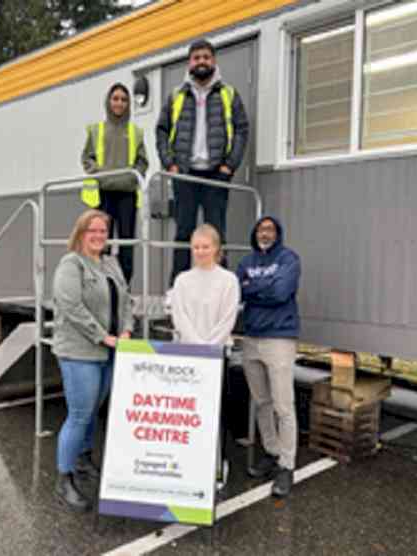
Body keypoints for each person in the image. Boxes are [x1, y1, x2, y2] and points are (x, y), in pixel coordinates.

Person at [52, 209, 133, 512]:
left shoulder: (110, 262)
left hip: (111, 349)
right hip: (79, 352)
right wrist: (103, 336)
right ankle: (64, 478)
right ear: (81, 233)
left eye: (103, 231)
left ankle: (84, 459)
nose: (99, 236)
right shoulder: (70, 264)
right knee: (79, 415)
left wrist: (126, 329)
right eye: (93, 231)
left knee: (93, 410)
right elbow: (71, 307)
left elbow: (127, 299)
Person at [156, 39, 250, 284]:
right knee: (183, 234)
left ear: (214, 61)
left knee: (216, 233)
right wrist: (170, 165)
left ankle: (219, 288)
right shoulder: (176, 95)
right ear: (189, 63)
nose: (201, 62)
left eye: (206, 57)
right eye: (196, 58)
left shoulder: (228, 93)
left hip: (216, 175)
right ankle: (176, 291)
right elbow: (162, 131)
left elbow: (242, 129)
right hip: (185, 175)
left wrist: (230, 165)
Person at [170, 223, 240, 490]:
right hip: (189, 355)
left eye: (205, 247)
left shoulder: (228, 280)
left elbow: (227, 319)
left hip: (216, 355)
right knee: (189, 415)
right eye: (196, 247)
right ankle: (190, 464)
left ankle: (217, 465)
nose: (200, 251)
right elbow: (180, 317)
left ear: (216, 249)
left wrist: (210, 348)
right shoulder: (182, 280)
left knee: (216, 412)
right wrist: (197, 346)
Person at [236, 217, 301, 498]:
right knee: (262, 402)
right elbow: (239, 290)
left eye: (270, 229)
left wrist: (254, 289)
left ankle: (287, 465)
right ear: (255, 233)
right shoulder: (245, 261)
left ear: (278, 234)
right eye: (261, 229)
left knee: (283, 406)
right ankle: (272, 452)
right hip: (251, 338)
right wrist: (260, 289)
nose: (265, 233)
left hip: (279, 338)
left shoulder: (289, 259)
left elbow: (280, 292)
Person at [81, 83, 148, 284]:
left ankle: (124, 288)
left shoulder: (135, 132)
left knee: (127, 243)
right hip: (103, 195)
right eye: (115, 98)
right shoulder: (96, 130)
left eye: (124, 99)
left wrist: (130, 177)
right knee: (101, 242)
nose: (119, 103)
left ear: (128, 104)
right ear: (108, 102)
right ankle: (101, 286)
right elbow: (87, 159)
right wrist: (101, 174)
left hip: (127, 194)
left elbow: (143, 162)